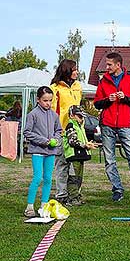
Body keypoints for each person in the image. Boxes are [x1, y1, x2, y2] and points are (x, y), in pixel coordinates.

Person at [94, 52, 130, 202]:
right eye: (106, 64)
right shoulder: (103, 81)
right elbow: (97, 103)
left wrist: (125, 98)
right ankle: (117, 189)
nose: (106, 67)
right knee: (109, 160)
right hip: (107, 125)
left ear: (118, 65)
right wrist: (108, 100)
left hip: (126, 124)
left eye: (109, 65)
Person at [23, 86, 62, 217]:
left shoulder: (54, 115)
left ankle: (44, 206)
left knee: (48, 179)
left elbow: (59, 131)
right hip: (38, 151)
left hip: (51, 152)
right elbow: (27, 132)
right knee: (38, 177)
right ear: (38, 99)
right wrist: (44, 140)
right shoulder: (32, 114)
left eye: (50, 100)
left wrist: (55, 139)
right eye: (45, 100)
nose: (48, 103)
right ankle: (29, 207)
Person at [50, 59, 82, 202]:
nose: (77, 72)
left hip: (76, 132)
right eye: (74, 69)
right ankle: (62, 195)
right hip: (61, 132)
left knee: (76, 166)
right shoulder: (54, 88)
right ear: (66, 70)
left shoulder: (78, 87)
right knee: (62, 165)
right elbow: (51, 111)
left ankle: (74, 194)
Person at [63, 105, 98, 206]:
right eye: (79, 116)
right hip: (73, 156)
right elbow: (72, 141)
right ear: (72, 116)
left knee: (79, 178)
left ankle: (77, 195)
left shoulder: (80, 127)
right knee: (73, 178)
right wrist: (85, 145)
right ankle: (72, 198)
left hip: (80, 156)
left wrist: (88, 145)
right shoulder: (70, 126)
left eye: (82, 117)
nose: (82, 119)